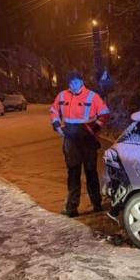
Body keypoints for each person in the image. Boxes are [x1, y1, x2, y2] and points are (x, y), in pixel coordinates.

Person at [50, 71, 110, 217]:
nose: (73, 85)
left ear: (82, 81)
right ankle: (72, 208)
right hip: (70, 136)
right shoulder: (62, 95)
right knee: (73, 172)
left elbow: (104, 113)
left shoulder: (92, 96)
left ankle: (97, 204)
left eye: (76, 82)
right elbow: (53, 110)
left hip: (87, 137)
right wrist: (57, 125)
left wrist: (95, 128)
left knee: (91, 171)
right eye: (71, 82)